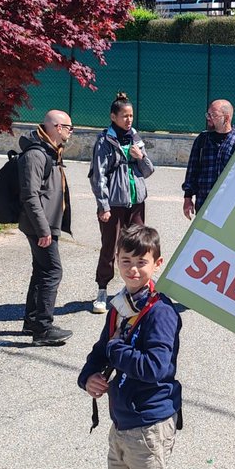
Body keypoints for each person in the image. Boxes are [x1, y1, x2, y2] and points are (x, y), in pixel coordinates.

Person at [78, 225, 182, 469]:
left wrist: (117, 350)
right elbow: (99, 350)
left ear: (156, 263)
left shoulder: (161, 313)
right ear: (116, 262)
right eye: (126, 261)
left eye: (141, 262)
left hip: (149, 425)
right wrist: (87, 375)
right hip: (122, 421)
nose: (133, 269)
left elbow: (155, 367)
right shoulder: (122, 304)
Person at [88, 92, 155, 315]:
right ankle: (102, 290)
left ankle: (136, 291)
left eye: (131, 115)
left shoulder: (136, 138)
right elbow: (99, 176)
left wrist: (140, 157)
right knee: (110, 246)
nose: (129, 120)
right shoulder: (104, 141)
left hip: (136, 202)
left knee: (138, 246)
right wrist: (103, 205)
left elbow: (148, 171)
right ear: (113, 116)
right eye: (125, 116)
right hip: (114, 204)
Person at [17, 110, 75, 348]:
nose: (71, 132)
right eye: (69, 127)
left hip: (46, 224)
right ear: (57, 127)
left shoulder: (50, 150)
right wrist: (43, 230)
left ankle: (32, 320)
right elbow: (30, 195)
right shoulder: (35, 154)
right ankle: (43, 328)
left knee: (41, 270)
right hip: (40, 226)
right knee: (52, 271)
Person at [182, 99, 235, 219]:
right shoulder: (202, 139)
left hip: (230, 205)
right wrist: (187, 198)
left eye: (213, 115)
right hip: (204, 203)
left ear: (227, 118)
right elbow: (192, 170)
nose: (208, 118)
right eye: (208, 114)